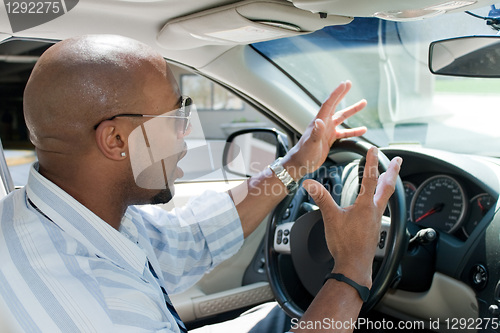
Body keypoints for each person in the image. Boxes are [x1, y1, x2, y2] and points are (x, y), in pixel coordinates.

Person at [0, 35, 402, 332]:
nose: (186, 136)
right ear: (116, 140)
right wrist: (352, 268)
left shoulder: (67, 213)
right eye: (176, 119)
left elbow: (193, 237)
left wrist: (296, 163)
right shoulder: (98, 309)